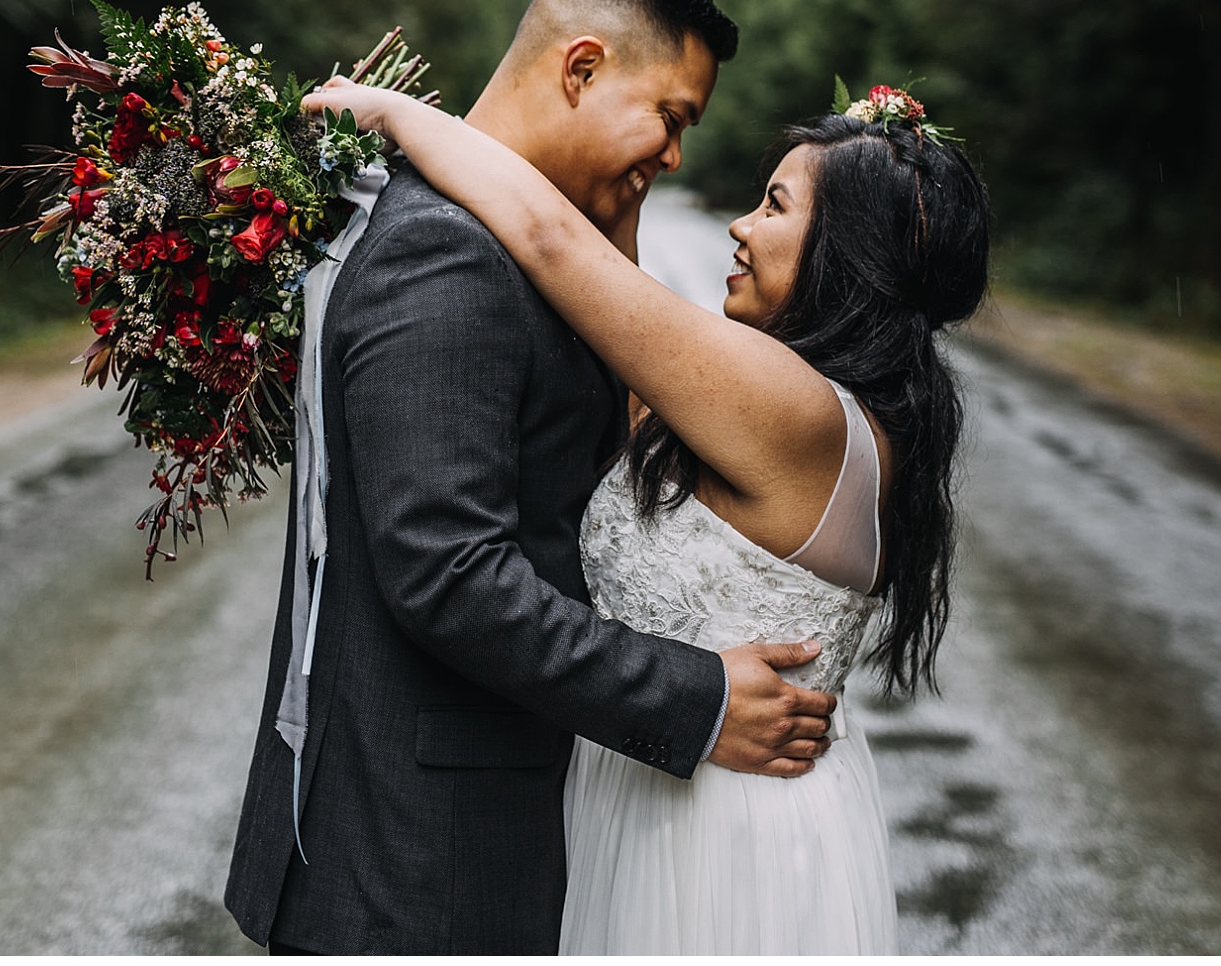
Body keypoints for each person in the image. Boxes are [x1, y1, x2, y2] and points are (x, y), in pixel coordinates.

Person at [223, 0, 840, 955]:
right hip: (419, 867)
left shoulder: (492, 240)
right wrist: (694, 699)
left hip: (449, 841)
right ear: (582, 67)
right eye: (670, 117)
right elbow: (450, 574)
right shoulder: (446, 254)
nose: (675, 157)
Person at [301, 68, 992, 954]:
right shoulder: (791, 408)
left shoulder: (798, 409)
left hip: (724, 838)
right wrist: (620, 187)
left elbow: (555, 247)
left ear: (848, 252)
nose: (741, 227)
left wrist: (396, 114)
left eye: (775, 207)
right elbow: (620, 340)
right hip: (654, 789)